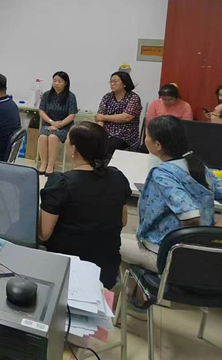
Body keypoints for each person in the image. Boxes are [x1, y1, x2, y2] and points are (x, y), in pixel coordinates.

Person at [120, 115, 222, 272]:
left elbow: (190, 215)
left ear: (158, 145)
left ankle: (139, 287)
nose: (145, 140)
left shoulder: (162, 174)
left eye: (147, 136)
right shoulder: (198, 166)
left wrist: (188, 245)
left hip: (166, 254)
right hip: (204, 251)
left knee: (109, 244)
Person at [39, 122, 131, 289]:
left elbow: (43, 234)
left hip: (65, 270)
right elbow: (123, 221)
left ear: (74, 150)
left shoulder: (61, 183)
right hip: (105, 272)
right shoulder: (118, 177)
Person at [37, 71, 79, 175]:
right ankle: (43, 163)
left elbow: (72, 115)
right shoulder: (47, 95)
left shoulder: (70, 96)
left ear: (65, 83)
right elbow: (41, 111)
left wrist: (60, 124)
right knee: (42, 137)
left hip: (64, 126)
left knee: (52, 137)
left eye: (60, 81)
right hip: (49, 124)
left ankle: (51, 165)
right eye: (54, 81)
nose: (56, 83)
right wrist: (52, 122)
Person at [95, 71, 143, 153]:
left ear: (124, 84)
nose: (112, 84)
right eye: (111, 82)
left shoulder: (133, 97)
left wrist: (103, 117)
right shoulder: (107, 97)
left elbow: (126, 117)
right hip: (107, 133)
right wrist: (99, 132)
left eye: (115, 81)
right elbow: (99, 117)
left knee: (109, 146)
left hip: (125, 135)